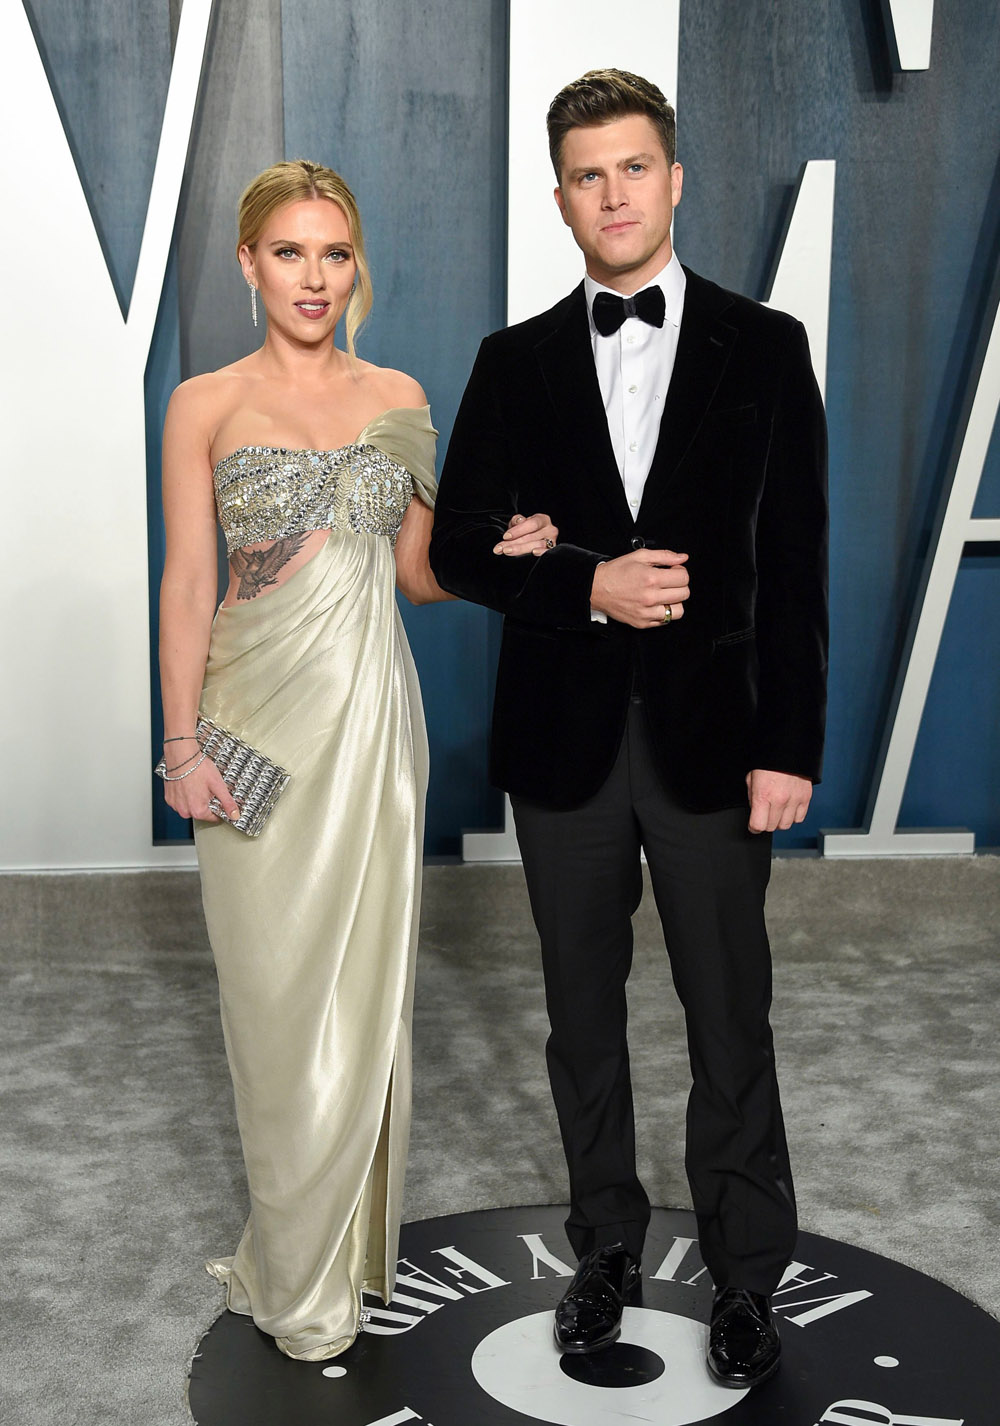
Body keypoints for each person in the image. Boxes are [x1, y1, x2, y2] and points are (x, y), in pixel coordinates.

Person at [429, 70, 828, 1389]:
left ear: (673, 177)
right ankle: (604, 1242)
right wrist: (585, 579)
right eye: (589, 174)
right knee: (582, 1016)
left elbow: (796, 563)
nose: (614, 193)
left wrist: (792, 746)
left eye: (635, 167)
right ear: (561, 198)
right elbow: (461, 544)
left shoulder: (767, 346)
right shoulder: (513, 360)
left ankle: (748, 1273)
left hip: (721, 744)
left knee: (731, 1015)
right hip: (566, 749)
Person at [157, 160, 556, 1361]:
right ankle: (290, 1260)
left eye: (333, 253)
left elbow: (422, 576)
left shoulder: (400, 395)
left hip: (375, 727)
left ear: (355, 262)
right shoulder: (203, 403)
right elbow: (186, 583)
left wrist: (514, 549)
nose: (314, 277)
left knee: (364, 1001)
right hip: (248, 726)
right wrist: (178, 744)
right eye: (289, 253)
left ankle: (323, 1266)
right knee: (274, 1004)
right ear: (247, 262)